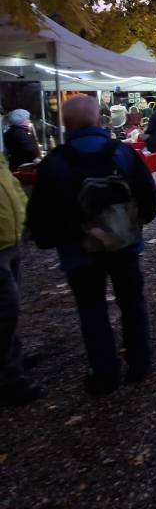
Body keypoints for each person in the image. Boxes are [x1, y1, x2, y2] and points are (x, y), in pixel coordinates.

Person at [26, 95, 156, 395]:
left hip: (78, 252)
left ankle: (104, 373)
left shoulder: (55, 161)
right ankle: (139, 363)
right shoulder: (121, 154)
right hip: (124, 245)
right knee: (132, 304)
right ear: (100, 120)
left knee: (92, 310)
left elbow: (40, 213)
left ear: (64, 124)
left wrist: (52, 239)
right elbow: (149, 198)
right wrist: (133, 226)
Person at [0, 155, 41, 406]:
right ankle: (8, 379)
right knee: (5, 310)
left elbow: (11, 186)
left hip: (9, 238)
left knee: (10, 307)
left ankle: (13, 356)